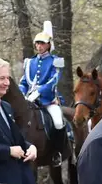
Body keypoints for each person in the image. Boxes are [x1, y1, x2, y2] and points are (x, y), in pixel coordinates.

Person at [19, 20, 67, 167]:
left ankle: (57, 153)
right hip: (29, 100)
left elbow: (53, 81)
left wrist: (38, 92)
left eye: (42, 43)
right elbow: (24, 82)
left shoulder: (55, 61)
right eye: (37, 43)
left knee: (58, 122)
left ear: (48, 45)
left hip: (47, 101)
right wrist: (22, 94)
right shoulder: (29, 62)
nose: (39, 46)